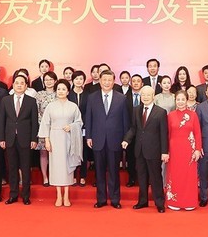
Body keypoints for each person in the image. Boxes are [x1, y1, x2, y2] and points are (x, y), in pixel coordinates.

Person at [85, 70, 130, 209]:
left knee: (114, 172)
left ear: (113, 81)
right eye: (104, 80)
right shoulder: (92, 97)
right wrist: (89, 136)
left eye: (109, 80)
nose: (106, 83)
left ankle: (115, 199)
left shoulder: (121, 98)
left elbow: (125, 122)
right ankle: (101, 199)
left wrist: (125, 139)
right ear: (100, 81)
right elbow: (89, 118)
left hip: (115, 140)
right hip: (97, 139)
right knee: (99, 172)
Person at [121, 86, 169, 213]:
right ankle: (142, 201)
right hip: (139, 150)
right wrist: (126, 139)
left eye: (148, 95)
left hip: (154, 150)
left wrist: (164, 151)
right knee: (141, 177)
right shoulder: (136, 110)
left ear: (153, 96)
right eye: (143, 95)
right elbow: (133, 128)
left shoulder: (161, 112)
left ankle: (159, 203)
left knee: (155, 178)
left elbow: (164, 133)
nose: (145, 97)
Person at [39, 79, 83, 207]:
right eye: (58, 89)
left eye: (64, 89)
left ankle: (67, 195)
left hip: (69, 139)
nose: (61, 91)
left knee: (67, 167)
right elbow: (45, 123)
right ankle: (58, 195)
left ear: (68, 91)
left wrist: (71, 126)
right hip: (54, 138)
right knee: (56, 166)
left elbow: (79, 122)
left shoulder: (73, 106)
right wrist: (46, 140)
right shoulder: (50, 106)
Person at [0, 74, 39, 205]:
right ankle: (13, 194)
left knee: (26, 168)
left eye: (22, 83)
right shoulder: (5, 100)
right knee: (12, 168)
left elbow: (34, 122)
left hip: (26, 139)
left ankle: (26, 196)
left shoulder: (31, 101)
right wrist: (1, 138)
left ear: (26, 86)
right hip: (9, 139)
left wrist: (34, 139)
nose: (19, 85)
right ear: (13, 85)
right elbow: (2, 122)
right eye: (17, 83)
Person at [165, 91, 202, 211]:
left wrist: (197, 149)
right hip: (174, 149)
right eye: (178, 99)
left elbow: (197, 133)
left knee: (189, 176)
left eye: (182, 99)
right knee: (175, 174)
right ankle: (174, 200)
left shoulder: (193, 115)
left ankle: (189, 201)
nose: (180, 102)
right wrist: (166, 151)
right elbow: (167, 134)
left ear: (187, 100)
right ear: (175, 101)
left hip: (189, 150)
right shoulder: (170, 115)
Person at [67, 71, 90, 187]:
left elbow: (89, 111)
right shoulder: (68, 94)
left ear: (84, 80)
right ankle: (73, 175)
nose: (78, 81)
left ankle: (82, 176)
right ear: (72, 80)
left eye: (81, 79)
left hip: (84, 127)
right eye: (76, 79)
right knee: (72, 151)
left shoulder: (88, 94)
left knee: (83, 151)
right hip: (70, 127)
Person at [35, 71, 58, 187]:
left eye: (51, 79)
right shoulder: (39, 94)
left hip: (56, 128)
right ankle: (45, 177)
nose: (48, 82)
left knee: (55, 153)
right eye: (46, 80)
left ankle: (55, 176)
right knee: (43, 153)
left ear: (55, 81)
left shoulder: (59, 93)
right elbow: (36, 111)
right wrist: (43, 124)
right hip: (42, 127)